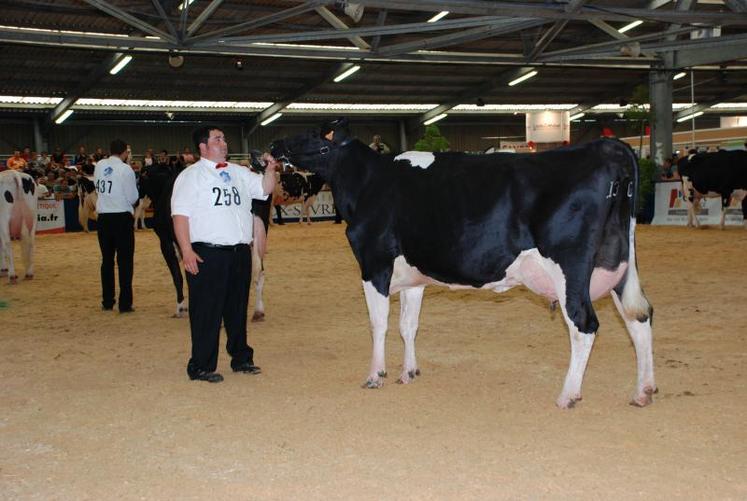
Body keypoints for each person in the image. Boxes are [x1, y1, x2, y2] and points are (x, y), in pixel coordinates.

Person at [171, 125, 277, 383]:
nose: (224, 142)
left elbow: (265, 189)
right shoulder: (190, 176)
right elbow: (180, 216)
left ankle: (241, 358)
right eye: (217, 139)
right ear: (203, 147)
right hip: (207, 253)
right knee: (206, 311)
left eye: (224, 138)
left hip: (239, 251)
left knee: (237, 309)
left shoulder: (239, 172)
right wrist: (186, 250)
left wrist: (271, 169)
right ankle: (201, 365)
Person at [94, 139, 139, 313]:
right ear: (124, 152)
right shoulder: (125, 169)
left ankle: (107, 300)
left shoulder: (99, 165)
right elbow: (133, 197)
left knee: (107, 261)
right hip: (121, 218)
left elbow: (98, 188)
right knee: (125, 262)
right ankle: (125, 303)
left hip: (104, 219)